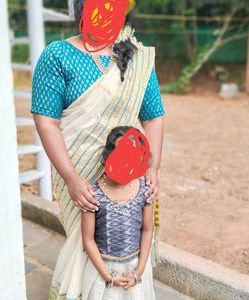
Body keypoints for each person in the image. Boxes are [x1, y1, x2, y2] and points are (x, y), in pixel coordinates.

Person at [30, 1, 165, 299]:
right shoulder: (58, 55)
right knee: (86, 240)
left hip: (131, 175)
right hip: (79, 172)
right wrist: (71, 178)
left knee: (129, 238)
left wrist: (153, 167)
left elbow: (153, 115)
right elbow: (46, 121)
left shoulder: (138, 58)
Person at [81, 126, 155, 300]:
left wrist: (139, 271)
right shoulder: (92, 193)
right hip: (103, 271)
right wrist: (108, 277)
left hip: (134, 269)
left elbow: (147, 229)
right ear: (108, 155)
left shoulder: (144, 189)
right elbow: (88, 239)